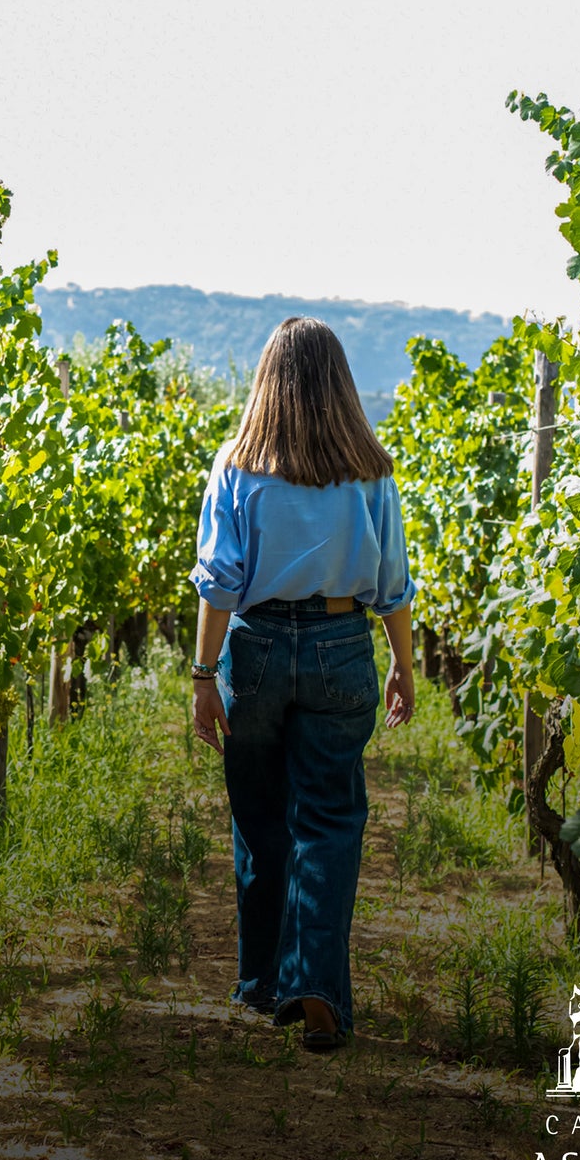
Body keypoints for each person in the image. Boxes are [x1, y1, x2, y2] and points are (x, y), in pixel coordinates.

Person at [188, 317, 415, 1052]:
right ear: (341, 383)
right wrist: (405, 667)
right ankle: (314, 984)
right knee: (328, 818)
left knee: (258, 817)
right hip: (341, 645)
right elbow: (391, 585)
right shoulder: (371, 469)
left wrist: (201, 675)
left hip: (252, 646)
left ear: (268, 380)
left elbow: (219, 582)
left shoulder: (236, 462)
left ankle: (261, 984)